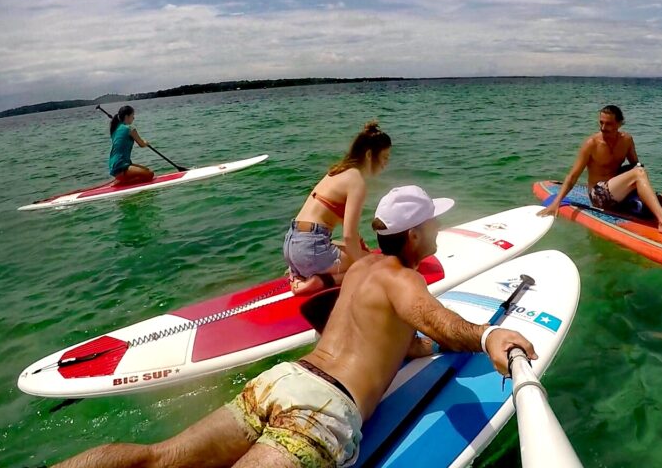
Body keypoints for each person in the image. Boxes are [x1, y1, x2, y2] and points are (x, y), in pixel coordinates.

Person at [53, 185, 537, 468]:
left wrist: (422, 348)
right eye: (432, 223)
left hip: (282, 380)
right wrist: (487, 336)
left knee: (158, 459)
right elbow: (438, 319)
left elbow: (397, 337)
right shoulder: (403, 278)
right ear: (414, 235)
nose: (436, 230)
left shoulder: (363, 269)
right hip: (321, 413)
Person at [539, 105, 662, 236]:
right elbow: (572, 176)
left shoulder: (627, 140)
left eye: (608, 124)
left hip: (619, 193)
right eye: (601, 122)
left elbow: (636, 165)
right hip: (598, 195)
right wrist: (556, 203)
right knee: (638, 173)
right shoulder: (591, 144)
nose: (603, 127)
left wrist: (646, 194)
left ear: (619, 123)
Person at [285, 120, 391, 296]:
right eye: (385, 157)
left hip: (292, 245)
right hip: (310, 250)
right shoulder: (356, 181)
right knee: (373, 262)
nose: (386, 163)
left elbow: (345, 225)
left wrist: (362, 249)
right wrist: (365, 265)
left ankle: (299, 273)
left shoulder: (337, 172)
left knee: (360, 252)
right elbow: (348, 235)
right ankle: (320, 281)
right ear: (369, 155)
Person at [108, 105, 154, 186]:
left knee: (147, 170)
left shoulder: (115, 129)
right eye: (133, 115)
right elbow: (141, 144)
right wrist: (146, 142)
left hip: (114, 165)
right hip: (121, 165)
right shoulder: (130, 129)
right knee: (150, 174)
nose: (134, 118)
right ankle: (122, 181)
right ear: (127, 116)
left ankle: (122, 178)